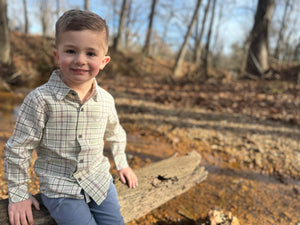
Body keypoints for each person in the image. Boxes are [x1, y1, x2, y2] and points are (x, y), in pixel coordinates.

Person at [4, 9, 138, 225]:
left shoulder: (105, 100)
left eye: (91, 54)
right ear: (57, 56)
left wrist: (122, 164)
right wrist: (19, 195)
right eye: (71, 51)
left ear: (104, 61)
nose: (80, 60)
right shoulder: (40, 100)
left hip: (99, 180)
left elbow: (116, 133)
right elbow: (18, 148)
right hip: (60, 187)